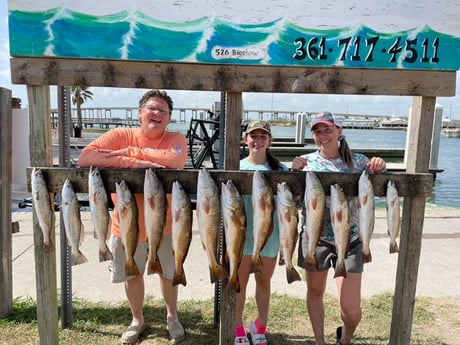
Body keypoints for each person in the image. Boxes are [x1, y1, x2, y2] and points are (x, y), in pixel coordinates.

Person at [79, 90, 188, 344]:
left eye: (163, 111)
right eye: (152, 108)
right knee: (132, 273)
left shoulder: (175, 138)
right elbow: (86, 157)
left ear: (169, 118)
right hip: (125, 224)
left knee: (168, 273)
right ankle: (137, 319)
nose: (156, 114)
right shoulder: (119, 135)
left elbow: (175, 159)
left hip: (165, 225)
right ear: (140, 113)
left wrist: (127, 154)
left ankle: (172, 316)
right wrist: (132, 162)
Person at [291, 111, 386, 345]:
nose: (323, 135)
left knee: (351, 310)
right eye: (317, 131)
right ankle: (320, 341)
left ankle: (344, 339)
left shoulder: (359, 162)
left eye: (328, 130)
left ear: (339, 131)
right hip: (316, 238)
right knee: (315, 293)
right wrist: (293, 173)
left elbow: (383, 183)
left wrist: (381, 166)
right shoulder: (305, 162)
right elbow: (292, 202)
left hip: (352, 240)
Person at [235, 120, 289, 345]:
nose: (257, 141)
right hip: (241, 237)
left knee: (264, 282)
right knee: (239, 283)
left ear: (270, 141)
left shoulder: (281, 170)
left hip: (270, 237)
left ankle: (260, 325)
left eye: (262, 136)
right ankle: (237, 326)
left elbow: (288, 212)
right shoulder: (236, 167)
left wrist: (287, 246)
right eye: (253, 136)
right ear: (245, 139)